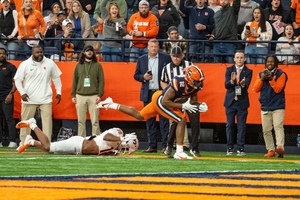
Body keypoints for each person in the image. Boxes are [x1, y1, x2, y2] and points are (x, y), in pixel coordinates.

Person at [97, 65, 208, 160]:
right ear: (189, 79)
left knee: (140, 116)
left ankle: (111, 104)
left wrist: (200, 106)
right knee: (181, 119)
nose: (199, 83)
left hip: (161, 99)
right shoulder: (178, 82)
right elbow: (165, 101)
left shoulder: (194, 87)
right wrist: (182, 105)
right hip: (161, 100)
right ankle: (179, 151)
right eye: (196, 81)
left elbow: (193, 102)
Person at [13, 45, 62, 147]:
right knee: (25, 122)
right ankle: (23, 143)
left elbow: (56, 78)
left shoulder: (50, 63)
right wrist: (22, 93)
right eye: (37, 52)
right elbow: (17, 80)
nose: (40, 54)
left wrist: (59, 92)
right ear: (32, 53)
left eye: (41, 52)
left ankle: (47, 144)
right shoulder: (25, 64)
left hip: (45, 98)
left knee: (47, 123)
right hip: (29, 98)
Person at [16, 118, 139, 155]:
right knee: (48, 147)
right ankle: (33, 124)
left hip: (79, 151)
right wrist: (121, 140)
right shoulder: (118, 133)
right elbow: (106, 136)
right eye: (127, 147)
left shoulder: (116, 149)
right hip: (78, 144)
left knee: (51, 151)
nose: (125, 149)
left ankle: (31, 141)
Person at [133, 39, 171, 153]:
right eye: (152, 46)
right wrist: (143, 77)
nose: (154, 48)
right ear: (147, 47)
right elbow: (136, 75)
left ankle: (165, 146)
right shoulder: (142, 59)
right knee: (150, 121)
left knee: (164, 120)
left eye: (155, 46)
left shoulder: (166, 58)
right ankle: (152, 145)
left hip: (161, 92)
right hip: (148, 92)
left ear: (158, 47)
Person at [160, 46, 194, 156]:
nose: (176, 59)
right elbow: (163, 82)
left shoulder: (189, 65)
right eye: (174, 56)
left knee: (186, 120)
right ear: (170, 56)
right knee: (175, 121)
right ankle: (172, 145)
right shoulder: (167, 67)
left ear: (182, 55)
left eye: (178, 56)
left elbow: (195, 80)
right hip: (173, 99)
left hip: (186, 96)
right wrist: (168, 94)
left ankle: (186, 145)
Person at [253, 55, 287, 158]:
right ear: (265, 63)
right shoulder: (260, 74)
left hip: (278, 106)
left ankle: (280, 147)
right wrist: (262, 79)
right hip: (265, 106)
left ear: (275, 63)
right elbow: (255, 89)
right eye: (268, 61)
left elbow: (278, 89)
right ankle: (271, 150)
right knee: (266, 130)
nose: (270, 63)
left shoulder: (281, 74)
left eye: (272, 61)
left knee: (278, 126)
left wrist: (271, 79)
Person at [71, 45, 104, 137]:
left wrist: (99, 95)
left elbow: (101, 81)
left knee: (95, 121)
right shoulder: (78, 66)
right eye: (87, 51)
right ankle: (81, 141)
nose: (89, 52)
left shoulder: (98, 66)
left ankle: (95, 141)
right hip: (80, 95)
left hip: (94, 95)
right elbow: (74, 81)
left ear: (93, 53)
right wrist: (73, 95)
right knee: (81, 121)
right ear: (84, 52)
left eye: (91, 51)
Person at [224, 51, 253, 156]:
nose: (240, 59)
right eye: (238, 57)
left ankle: (240, 148)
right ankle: (229, 148)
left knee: (241, 126)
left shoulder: (248, 71)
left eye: (241, 57)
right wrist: (232, 82)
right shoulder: (229, 70)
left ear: (244, 59)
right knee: (229, 125)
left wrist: (243, 84)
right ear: (234, 59)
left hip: (242, 102)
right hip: (230, 102)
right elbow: (226, 86)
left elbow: (246, 86)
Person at [0, 47, 17, 148]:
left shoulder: (11, 67)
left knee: (9, 119)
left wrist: (11, 94)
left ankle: (12, 141)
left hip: (7, 96)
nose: (1, 55)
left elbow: (16, 83)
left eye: (3, 54)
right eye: (0, 53)